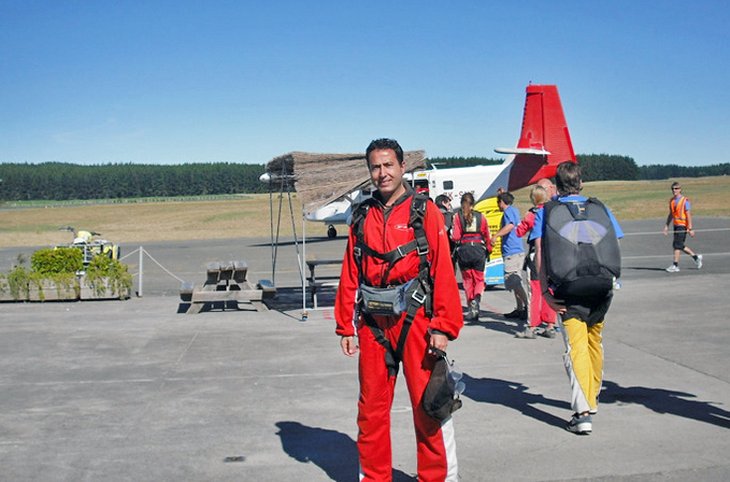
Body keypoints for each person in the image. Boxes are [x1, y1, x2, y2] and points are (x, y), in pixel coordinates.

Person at [335, 138, 463, 481]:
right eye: (375, 167)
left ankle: (437, 478)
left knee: (430, 407)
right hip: (373, 326)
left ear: (402, 167)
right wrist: (345, 326)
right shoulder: (362, 216)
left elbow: (443, 272)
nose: (382, 173)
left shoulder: (424, 212)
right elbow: (351, 271)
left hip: (418, 322)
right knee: (371, 412)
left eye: (388, 165)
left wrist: (444, 326)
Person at [533, 161, 624, 435]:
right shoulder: (599, 207)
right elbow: (614, 240)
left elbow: (540, 253)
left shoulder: (547, 211)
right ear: (581, 183)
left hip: (569, 290)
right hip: (602, 288)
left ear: (557, 187)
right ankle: (592, 398)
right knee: (594, 341)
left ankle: (582, 412)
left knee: (576, 348)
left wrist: (546, 293)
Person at [514, 184, 557, 339]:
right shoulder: (553, 210)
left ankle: (532, 325)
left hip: (536, 254)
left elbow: (519, 232)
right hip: (552, 254)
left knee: (535, 290)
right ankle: (550, 324)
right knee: (549, 289)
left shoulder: (533, 213)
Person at [451, 192, 492, 321]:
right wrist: (489, 249)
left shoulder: (458, 217)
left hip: (464, 250)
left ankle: (470, 306)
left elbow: (456, 237)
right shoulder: (481, 217)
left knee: (468, 280)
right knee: (479, 279)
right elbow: (487, 234)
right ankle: (477, 299)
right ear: (473, 203)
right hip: (479, 249)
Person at [494, 191, 528, 320]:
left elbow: (510, 226)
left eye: (498, 202)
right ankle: (520, 308)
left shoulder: (508, 212)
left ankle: (527, 306)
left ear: (502, 202)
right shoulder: (513, 210)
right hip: (515, 250)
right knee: (515, 281)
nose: (498, 205)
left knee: (513, 281)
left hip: (512, 251)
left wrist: (496, 235)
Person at [663, 182, 702, 272]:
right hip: (676, 225)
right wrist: (666, 225)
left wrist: (690, 228)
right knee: (677, 245)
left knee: (677, 245)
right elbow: (671, 214)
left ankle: (676, 265)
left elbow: (688, 214)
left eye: (676, 188)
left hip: (682, 225)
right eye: (673, 189)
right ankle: (696, 258)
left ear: (680, 189)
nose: (674, 190)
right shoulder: (672, 201)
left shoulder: (685, 200)